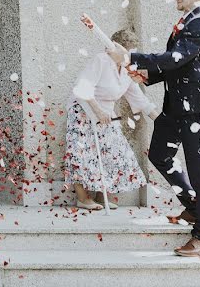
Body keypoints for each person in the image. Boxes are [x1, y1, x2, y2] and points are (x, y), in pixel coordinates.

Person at [109, 0, 200, 257]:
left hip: (195, 109)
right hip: (175, 107)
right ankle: (193, 207)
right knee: (159, 154)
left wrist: (130, 57)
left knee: (199, 171)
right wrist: (147, 76)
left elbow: (176, 58)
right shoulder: (189, 21)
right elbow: (178, 63)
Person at [65, 29, 159, 211]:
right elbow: (82, 86)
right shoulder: (101, 60)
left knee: (114, 153)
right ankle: (83, 199)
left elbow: (139, 99)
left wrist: (161, 120)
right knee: (82, 155)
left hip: (106, 115)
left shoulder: (127, 70)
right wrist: (97, 110)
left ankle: (102, 196)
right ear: (112, 49)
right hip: (84, 110)